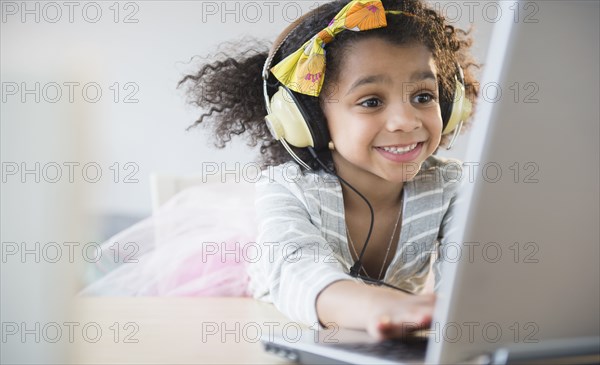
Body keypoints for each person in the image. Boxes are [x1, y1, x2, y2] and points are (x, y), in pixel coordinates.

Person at [84, 0, 479, 341]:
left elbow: (468, 290)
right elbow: (296, 268)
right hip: (261, 327)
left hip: (371, 341)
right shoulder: (287, 190)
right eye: (372, 101)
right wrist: (378, 305)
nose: (405, 120)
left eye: (423, 96)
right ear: (308, 120)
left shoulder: (449, 185)